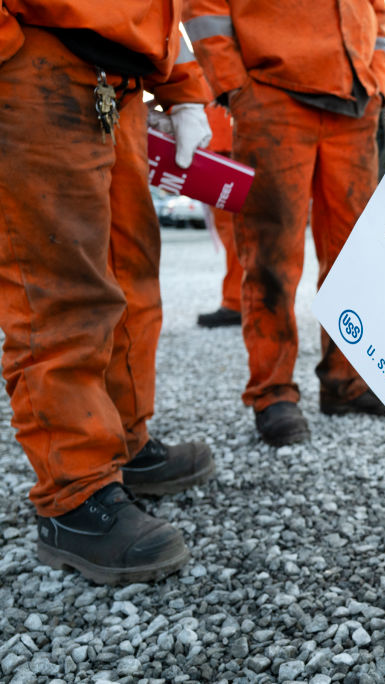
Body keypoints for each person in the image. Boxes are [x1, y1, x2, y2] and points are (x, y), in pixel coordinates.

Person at [0, 2, 217, 584]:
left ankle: (123, 443)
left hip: (120, 81)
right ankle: (75, 494)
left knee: (130, 273)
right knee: (60, 291)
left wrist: (181, 88)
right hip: (35, 58)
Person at [183, 0, 385, 446]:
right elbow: (202, 7)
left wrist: (376, 80)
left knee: (354, 257)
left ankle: (346, 379)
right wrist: (235, 85)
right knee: (272, 258)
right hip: (273, 96)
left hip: (354, 102)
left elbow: (376, 11)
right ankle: (272, 391)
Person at [195, 102, 244, 329]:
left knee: (234, 231)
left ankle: (237, 301)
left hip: (223, 140)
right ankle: (248, 299)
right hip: (223, 136)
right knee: (237, 230)